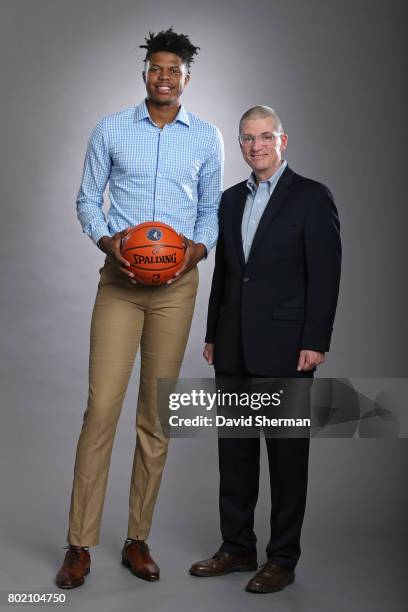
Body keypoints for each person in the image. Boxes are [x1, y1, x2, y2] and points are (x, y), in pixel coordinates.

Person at [56, 28, 224, 589]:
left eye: (175, 69)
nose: (165, 76)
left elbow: (209, 214)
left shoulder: (206, 137)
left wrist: (191, 254)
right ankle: (79, 544)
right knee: (101, 409)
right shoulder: (109, 129)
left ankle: (137, 539)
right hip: (120, 283)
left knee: (157, 417)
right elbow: (87, 200)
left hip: (176, 287)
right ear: (145, 74)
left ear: (187, 79)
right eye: (157, 68)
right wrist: (112, 245)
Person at [189, 105, 341, 593]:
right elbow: (228, 274)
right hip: (232, 344)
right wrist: (212, 333)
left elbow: (326, 274)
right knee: (234, 454)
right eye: (247, 138)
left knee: (287, 459)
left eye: (265, 136)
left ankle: (282, 558)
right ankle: (236, 547)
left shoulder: (312, 198)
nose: (256, 146)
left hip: (287, 347)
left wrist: (315, 341)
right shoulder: (231, 200)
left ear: (283, 140)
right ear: (240, 144)